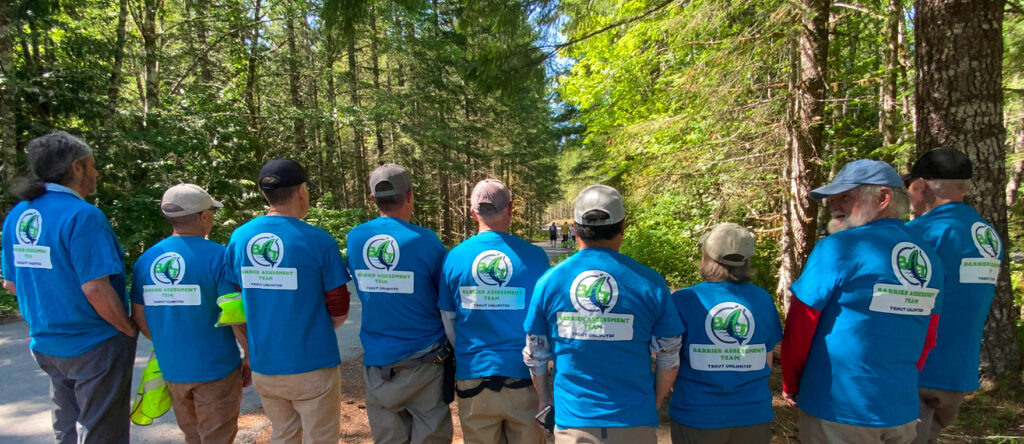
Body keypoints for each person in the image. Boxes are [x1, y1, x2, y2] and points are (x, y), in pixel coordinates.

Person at [781, 159, 945, 444]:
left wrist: (792, 383)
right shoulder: (927, 256)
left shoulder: (838, 247)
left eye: (845, 196)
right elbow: (928, 336)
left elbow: (801, 325)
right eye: (832, 198)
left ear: (883, 197)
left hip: (838, 408)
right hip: (900, 408)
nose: (834, 205)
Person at [1, 131, 138, 444]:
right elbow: (96, 289)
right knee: (102, 431)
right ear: (77, 168)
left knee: (66, 425)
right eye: (92, 165)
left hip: (46, 342)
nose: (96, 172)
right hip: (93, 343)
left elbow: (11, 282)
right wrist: (127, 330)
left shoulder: (18, 215)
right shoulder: (83, 216)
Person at [523, 184, 685, 444]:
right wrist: (653, 403)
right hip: (635, 422)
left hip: (573, 423)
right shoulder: (649, 282)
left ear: (574, 229)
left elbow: (536, 353)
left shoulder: (550, 282)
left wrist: (544, 400)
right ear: (622, 227)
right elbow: (669, 355)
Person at [224, 159, 352, 444]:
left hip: (265, 366)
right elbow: (339, 305)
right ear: (301, 192)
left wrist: (250, 346)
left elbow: (231, 304)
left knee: (283, 435)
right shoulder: (318, 240)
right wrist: (317, 329)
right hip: (313, 365)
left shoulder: (240, 237)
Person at [129, 184, 249, 444]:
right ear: (204, 216)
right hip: (215, 369)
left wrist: (167, 344)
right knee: (217, 437)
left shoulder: (147, 260)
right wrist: (250, 354)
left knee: (192, 436)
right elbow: (234, 313)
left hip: (172, 368)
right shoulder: (219, 256)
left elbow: (138, 314)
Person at [346, 163, 452, 444]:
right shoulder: (426, 241)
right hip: (426, 363)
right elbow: (445, 300)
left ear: (372, 200)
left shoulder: (356, 238)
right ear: (409, 195)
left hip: (378, 365)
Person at [438, 179, 550, 444]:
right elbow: (545, 323)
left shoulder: (454, 257)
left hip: (474, 379)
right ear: (510, 209)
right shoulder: (535, 257)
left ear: (472, 212)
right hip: (526, 380)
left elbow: (448, 320)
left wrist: (468, 352)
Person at [903, 148, 1002, 444]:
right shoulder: (987, 234)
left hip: (916, 371)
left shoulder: (920, 232)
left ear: (921, 185)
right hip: (958, 373)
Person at [669, 223, 781, 444]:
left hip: (696, 415)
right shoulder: (762, 299)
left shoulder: (684, 300)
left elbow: (670, 361)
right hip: (752, 416)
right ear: (747, 261)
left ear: (706, 256)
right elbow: (766, 360)